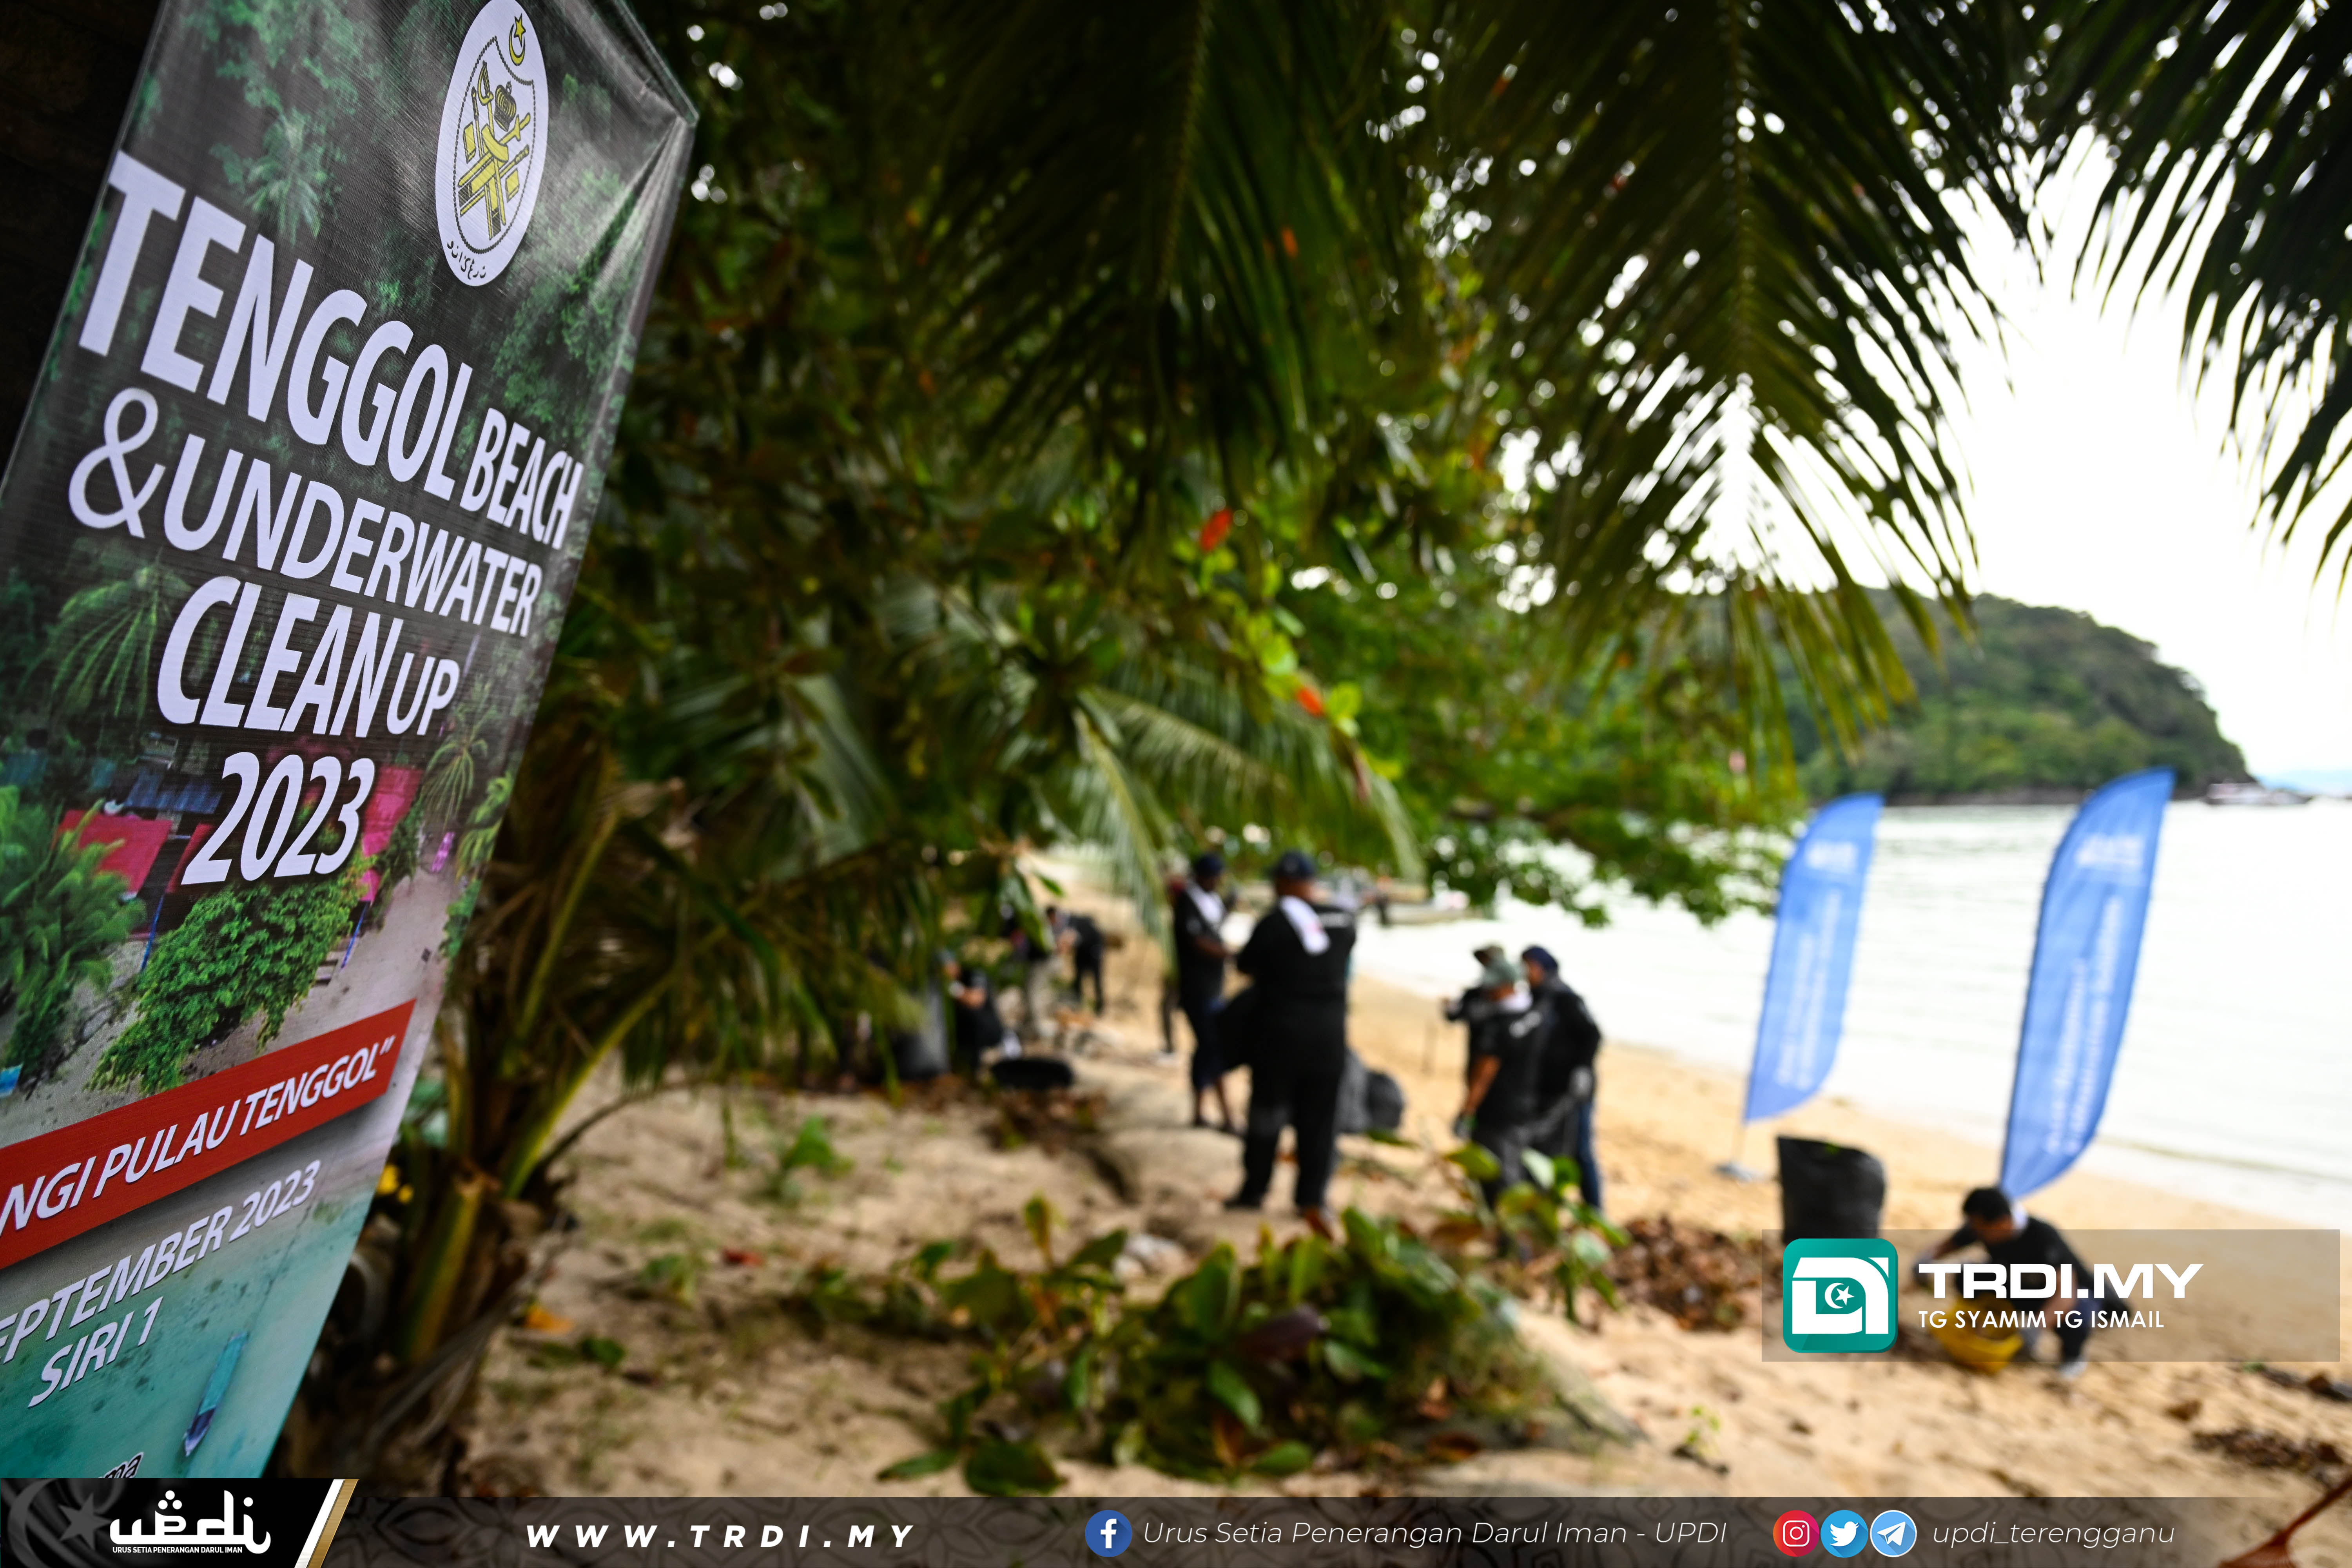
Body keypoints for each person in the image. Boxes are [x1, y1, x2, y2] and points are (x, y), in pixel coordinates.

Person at [1227, 848, 1356, 1229]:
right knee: (1319, 1120)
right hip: (1329, 1037)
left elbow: (1246, 964)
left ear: (1282, 883)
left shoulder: (1273, 923)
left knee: (1267, 1114)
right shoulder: (1344, 921)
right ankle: (1310, 1199)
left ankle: (1254, 1190)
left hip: (1280, 1035)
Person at [1920, 1186, 2100, 1379]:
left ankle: (2073, 1357)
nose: (1975, 1233)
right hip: (2018, 1283)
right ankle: (1978, 1327)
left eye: (1979, 1228)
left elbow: (2066, 1294)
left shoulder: (2042, 1237)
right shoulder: (1982, 1225)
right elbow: (1947, 1247)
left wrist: (2036, 1329)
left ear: (2003, 1224)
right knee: (1968, 1274)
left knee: (2078, 1315)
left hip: (2062, 1294)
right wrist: (1925, 1261)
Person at [1452, 954, 1548, 1201]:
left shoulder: (1498, 1026)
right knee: (1514, 1168)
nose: (1488, 991)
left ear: (1509, 985)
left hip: (1496, 1112)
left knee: (1496, 1177)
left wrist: (1466, 1112)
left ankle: (1505, 1234)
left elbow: (1484, 1075)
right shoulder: (1534, 1015)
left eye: (1493, 987)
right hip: (1526, 1107)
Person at [1522, 944, 1604, 1211]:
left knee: (1580, 1150)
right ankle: (1545, 1205)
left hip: (1574, 1093)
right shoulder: (1536, 998)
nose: (1526, 972)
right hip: (1548, 1091)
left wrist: (1582, 1069)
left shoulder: (1565, 999)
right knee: (1546, 1148)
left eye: (1530, 966)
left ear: (1543, 968)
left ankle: (1595, 1209)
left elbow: (1592, 1034)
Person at [1171, 850, 1237, 1131]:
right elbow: (1199, 941)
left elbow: (1211, 927)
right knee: (1215, 1046)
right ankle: (1228, 1116)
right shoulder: (1187, 902)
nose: (1216, 881)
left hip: (1212, 988)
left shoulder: (1207, 902)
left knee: (1206, 1048)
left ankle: (1200, 1112)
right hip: (1197, 989)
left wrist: (1229, 907)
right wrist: (1231, 954)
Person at [946, 956, 1007, 1078]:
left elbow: (975, 999)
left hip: (989, 1032)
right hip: (964, 1038)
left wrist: (950, 987)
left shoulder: (974, 972)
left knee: (973, 1016)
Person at [1050, 905, 1107, 1014]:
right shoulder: (1063, 924)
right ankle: (1078, 1004)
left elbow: (1069, 940)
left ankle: (1100, 1007)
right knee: (1078, 979)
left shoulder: (1072, 922)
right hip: (1082, 953)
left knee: (1097, 980)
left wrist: (1060, 948)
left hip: (1094, 951)